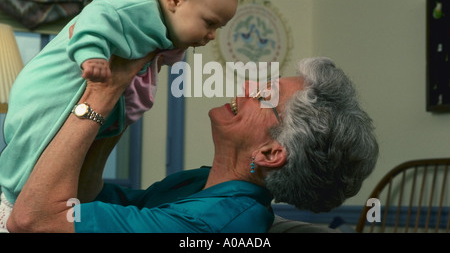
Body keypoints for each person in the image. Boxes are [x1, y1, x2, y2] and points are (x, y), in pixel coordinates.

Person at [5, 56, 378, 233]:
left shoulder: (214, 226)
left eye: (265, 95)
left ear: (270, 153)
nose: (248, 89)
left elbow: (31, 220)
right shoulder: (200, 184)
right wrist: (125, 105)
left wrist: (101, 96)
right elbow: (86, 198)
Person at [0, 0, 238, 213]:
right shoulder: (136, 3)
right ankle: (13, 196)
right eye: (209, 23)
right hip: (49, 91)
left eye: (218, 28)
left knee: (69, 162)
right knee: (36, 148)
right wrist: (92, 55)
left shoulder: (164, 25)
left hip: (86, 100)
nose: (212, 35)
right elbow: (96, 17)